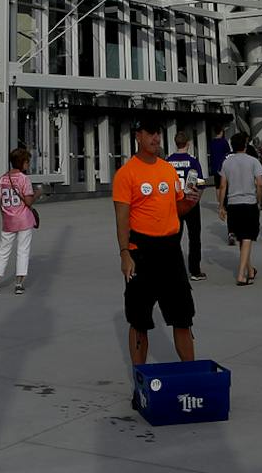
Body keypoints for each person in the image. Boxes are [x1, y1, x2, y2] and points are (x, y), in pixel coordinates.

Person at [113, 117, 196, 367]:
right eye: (149, 133)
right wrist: (124, 253)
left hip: (170, 249)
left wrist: (190, 201)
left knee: (183, 317)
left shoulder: (167, 169)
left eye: (158, 133)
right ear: (138, 136)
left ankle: (190, 375)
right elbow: (121, 218)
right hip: (141, 252)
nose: (155, 138)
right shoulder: (126, 174)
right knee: (139, 321)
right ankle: (141, 382)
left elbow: (177, 208)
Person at [0, 146, 39, 293]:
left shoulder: (3, 178)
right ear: (22, 162)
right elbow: (29, 202)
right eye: (27, 162)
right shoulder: (24, 179)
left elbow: (0, 201)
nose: (28, 164)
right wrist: (38, 193)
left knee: (3, 250)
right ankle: (18, 283)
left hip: (8, 219)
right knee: (23, 250)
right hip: (23, 219)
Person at [217, 131, 262, 284]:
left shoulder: (226, 162)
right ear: (245, 144)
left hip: (233, 203)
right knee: (248, 237)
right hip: (249, 202)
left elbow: (223, 185)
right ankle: (241, 274)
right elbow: (260, 184)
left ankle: (250, 270)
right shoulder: (253, 161)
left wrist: (221, 206)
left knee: (242, 238)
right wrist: (259, 201)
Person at [165, 140, 207, 280]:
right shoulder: (193, 161)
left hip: (174, 203)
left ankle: (173, 269)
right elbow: (200, 183)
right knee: (194, 237)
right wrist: (196, 199)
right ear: (187, 144)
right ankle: (195, 270)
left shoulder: (168, 161)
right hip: (190, 201)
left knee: (174, 238)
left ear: (176, 143)